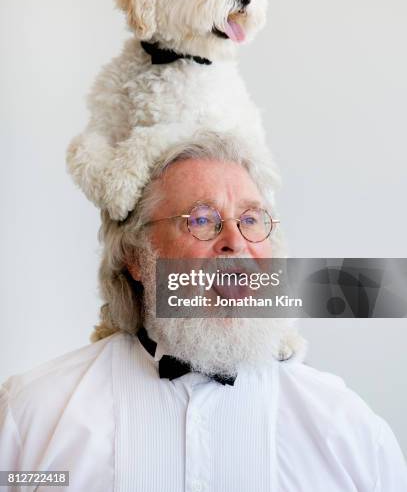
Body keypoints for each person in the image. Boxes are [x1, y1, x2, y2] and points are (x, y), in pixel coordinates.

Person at [1, 133, 406, 491]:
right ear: (137, 259)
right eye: (202, 220)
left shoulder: (347, 426)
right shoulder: (33, 413)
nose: (235, 241)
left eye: (251, 219)